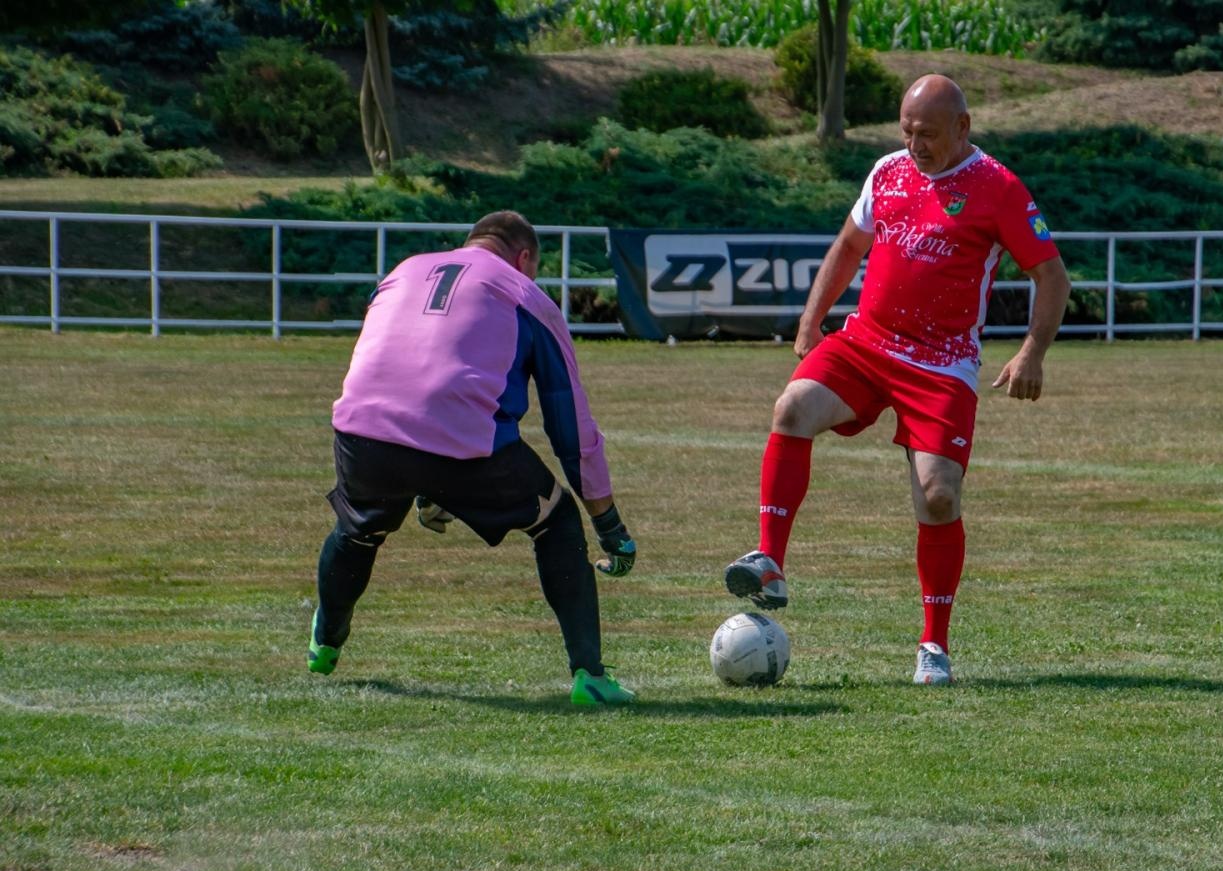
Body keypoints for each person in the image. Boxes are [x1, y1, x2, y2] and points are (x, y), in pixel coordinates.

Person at [723, 74, 1072, 686]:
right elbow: (848, 245)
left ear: (963, 129)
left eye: (929, 134)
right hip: (866, 343)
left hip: (941, 364)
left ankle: (933, 646)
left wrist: (1032, 352)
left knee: (938, 498)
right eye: (908, 131)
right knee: (793, 408)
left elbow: (1052, 276)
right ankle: (770, 560)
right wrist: (811, 322)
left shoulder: (999, 188)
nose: (916, 144)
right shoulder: (886, 171)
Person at [307, 210, 638, 706]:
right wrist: (608, 523)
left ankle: (325, 642)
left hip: (360, 429)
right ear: (523, 257)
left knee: (360, 529)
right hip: (457, 445)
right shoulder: (526, 294)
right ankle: (590, 675)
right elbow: (569, 426)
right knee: (558, 520)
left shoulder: (403, 269)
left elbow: (402, 366)